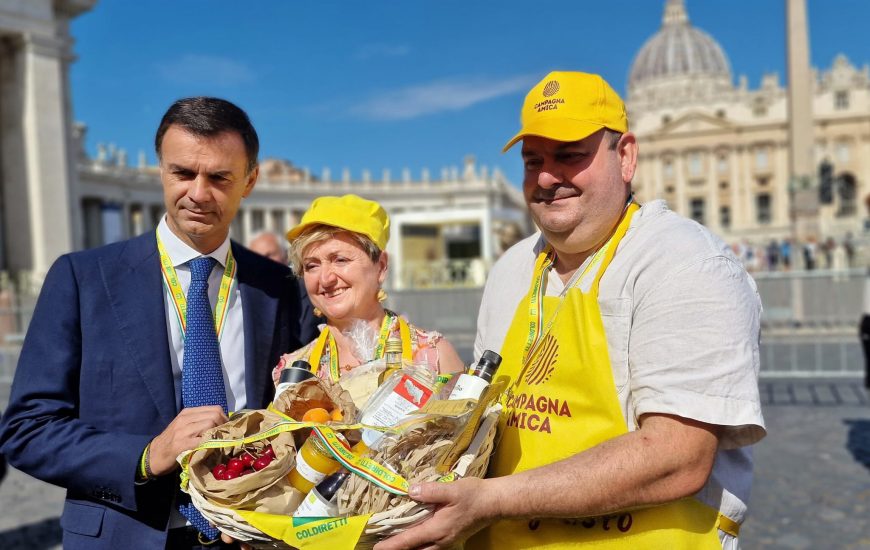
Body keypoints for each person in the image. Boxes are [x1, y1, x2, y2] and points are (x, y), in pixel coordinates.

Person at [375, 72, 765, 549]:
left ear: (625, 157)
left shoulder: (686, 263)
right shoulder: (511, 270)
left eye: (569, 155)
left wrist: (492, 501)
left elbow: (675, 456)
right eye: (532, 160)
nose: (545, 177)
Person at [0, 97, 318, 549]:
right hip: (123, 535)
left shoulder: (280, 287)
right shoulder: (84, 278)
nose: (199, 192)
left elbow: (307, 409)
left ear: (250, 180)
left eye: (219, 177)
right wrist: (148, 455)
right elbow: (27, 430)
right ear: (160, 171)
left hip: (251, 536)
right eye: (183, 173)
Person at [273, 194, 465, 388]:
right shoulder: (293, 374)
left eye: (340, 260)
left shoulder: (433, 355)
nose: (325, 279)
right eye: (311, 266)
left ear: (380, 266)